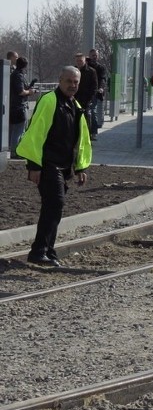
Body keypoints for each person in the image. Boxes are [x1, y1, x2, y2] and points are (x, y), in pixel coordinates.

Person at [16, 66, 91, 267]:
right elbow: (35, 133)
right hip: (48, 164)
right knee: (55, 205)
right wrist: (33, 165)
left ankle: (48, 250)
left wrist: (81, 167)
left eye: (76, 82)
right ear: (60, 80)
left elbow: (82, 139)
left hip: (63, 166)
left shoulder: (74, 105)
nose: (72, 85)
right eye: (69, 81)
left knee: (54, 208)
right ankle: (39, 251)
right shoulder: (50, 101)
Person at [9, 56, 37, 158]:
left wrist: (30, 85)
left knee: (21, 130)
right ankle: (14, 152)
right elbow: (21, 91)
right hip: (18, 107)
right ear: (25, 66)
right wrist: (30, 92)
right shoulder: (18, 76)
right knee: (18, 130)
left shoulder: (16, 74)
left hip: (17, 106)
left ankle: (18, 150)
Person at [86, 48, 107, 141]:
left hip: (94, 92)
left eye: (96, 55)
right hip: (83, 92)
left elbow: (103, 79)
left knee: (91, 111)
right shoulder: (85, 65)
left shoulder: (100, 68)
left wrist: (101, 88)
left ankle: (93, 132)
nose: (94, 57)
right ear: (89, 55)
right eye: (93, 55)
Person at [74, 52, 97, 133]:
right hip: (74, 98)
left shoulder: (91, 71)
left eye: (80, 61)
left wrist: (90, 99)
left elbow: (94, 86)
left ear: (84, 61)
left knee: (86, 117)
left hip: (86, 98)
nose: (79, 62)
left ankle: (88, 134)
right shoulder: (73, 70)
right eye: (77, 61)